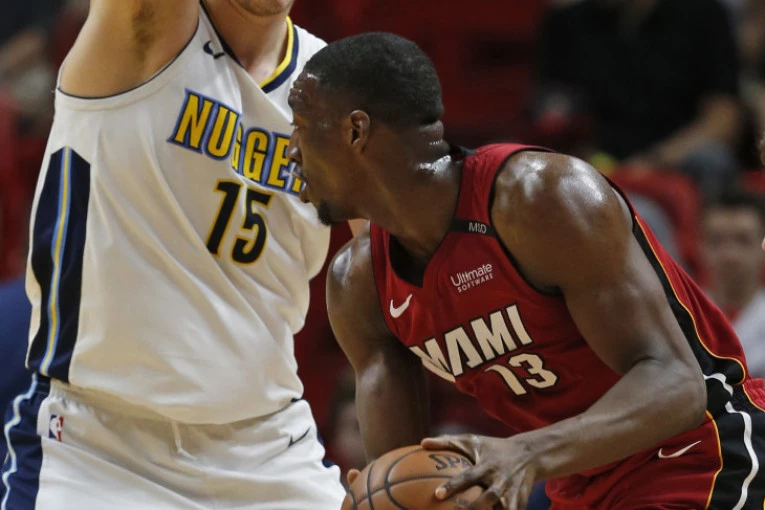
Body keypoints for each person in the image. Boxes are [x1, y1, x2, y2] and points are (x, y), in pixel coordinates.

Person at [287, 32, 765, 509]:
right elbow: (401, 470)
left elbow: (679, 386)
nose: (290, 150)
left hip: (704, 451)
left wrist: (525, 453)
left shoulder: (540, 199)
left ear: (356, 131)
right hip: (577, 485)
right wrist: (379, 498)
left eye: (301, 126)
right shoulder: (359, 285)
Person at [1, 1, 348, 508]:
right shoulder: (141, 29)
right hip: (96, 448)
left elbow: (394, 259)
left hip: (268, 450)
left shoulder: (342, 90)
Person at [701, 190, 765, 379]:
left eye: (743, 240)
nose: (730, 255)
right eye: (716, 241)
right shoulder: (681, 318)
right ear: (700, 246)